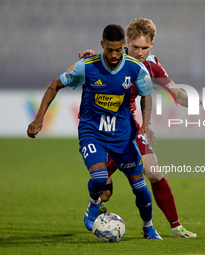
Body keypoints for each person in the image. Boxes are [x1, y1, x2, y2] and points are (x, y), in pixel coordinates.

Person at [27, 24, 162, 240]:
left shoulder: (136, 68)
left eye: (118, 50)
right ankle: (94, 203)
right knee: (99, 177)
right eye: (110, 50)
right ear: (102, 45)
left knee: (139, 187)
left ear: (124, 46)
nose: (115, 55)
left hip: (122, 135)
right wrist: (39, 118)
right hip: (93, 132)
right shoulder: (86, 67)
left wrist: (146, 124)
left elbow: (146, 94)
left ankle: (148, 227)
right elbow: (55, 85)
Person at [79, 18, 201, 238]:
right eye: (135, 47)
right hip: (102, 130)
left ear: (152, 45)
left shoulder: (151, 64)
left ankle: (175, 226)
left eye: (144, 47)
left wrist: (191, 100)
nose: (139, 52)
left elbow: (174, 91)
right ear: (127, 44)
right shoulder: (114, 58)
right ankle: (96, 202)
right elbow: (90, 68)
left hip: (128, 131)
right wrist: (87, 58)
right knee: (104, 191)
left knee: (153, 171)